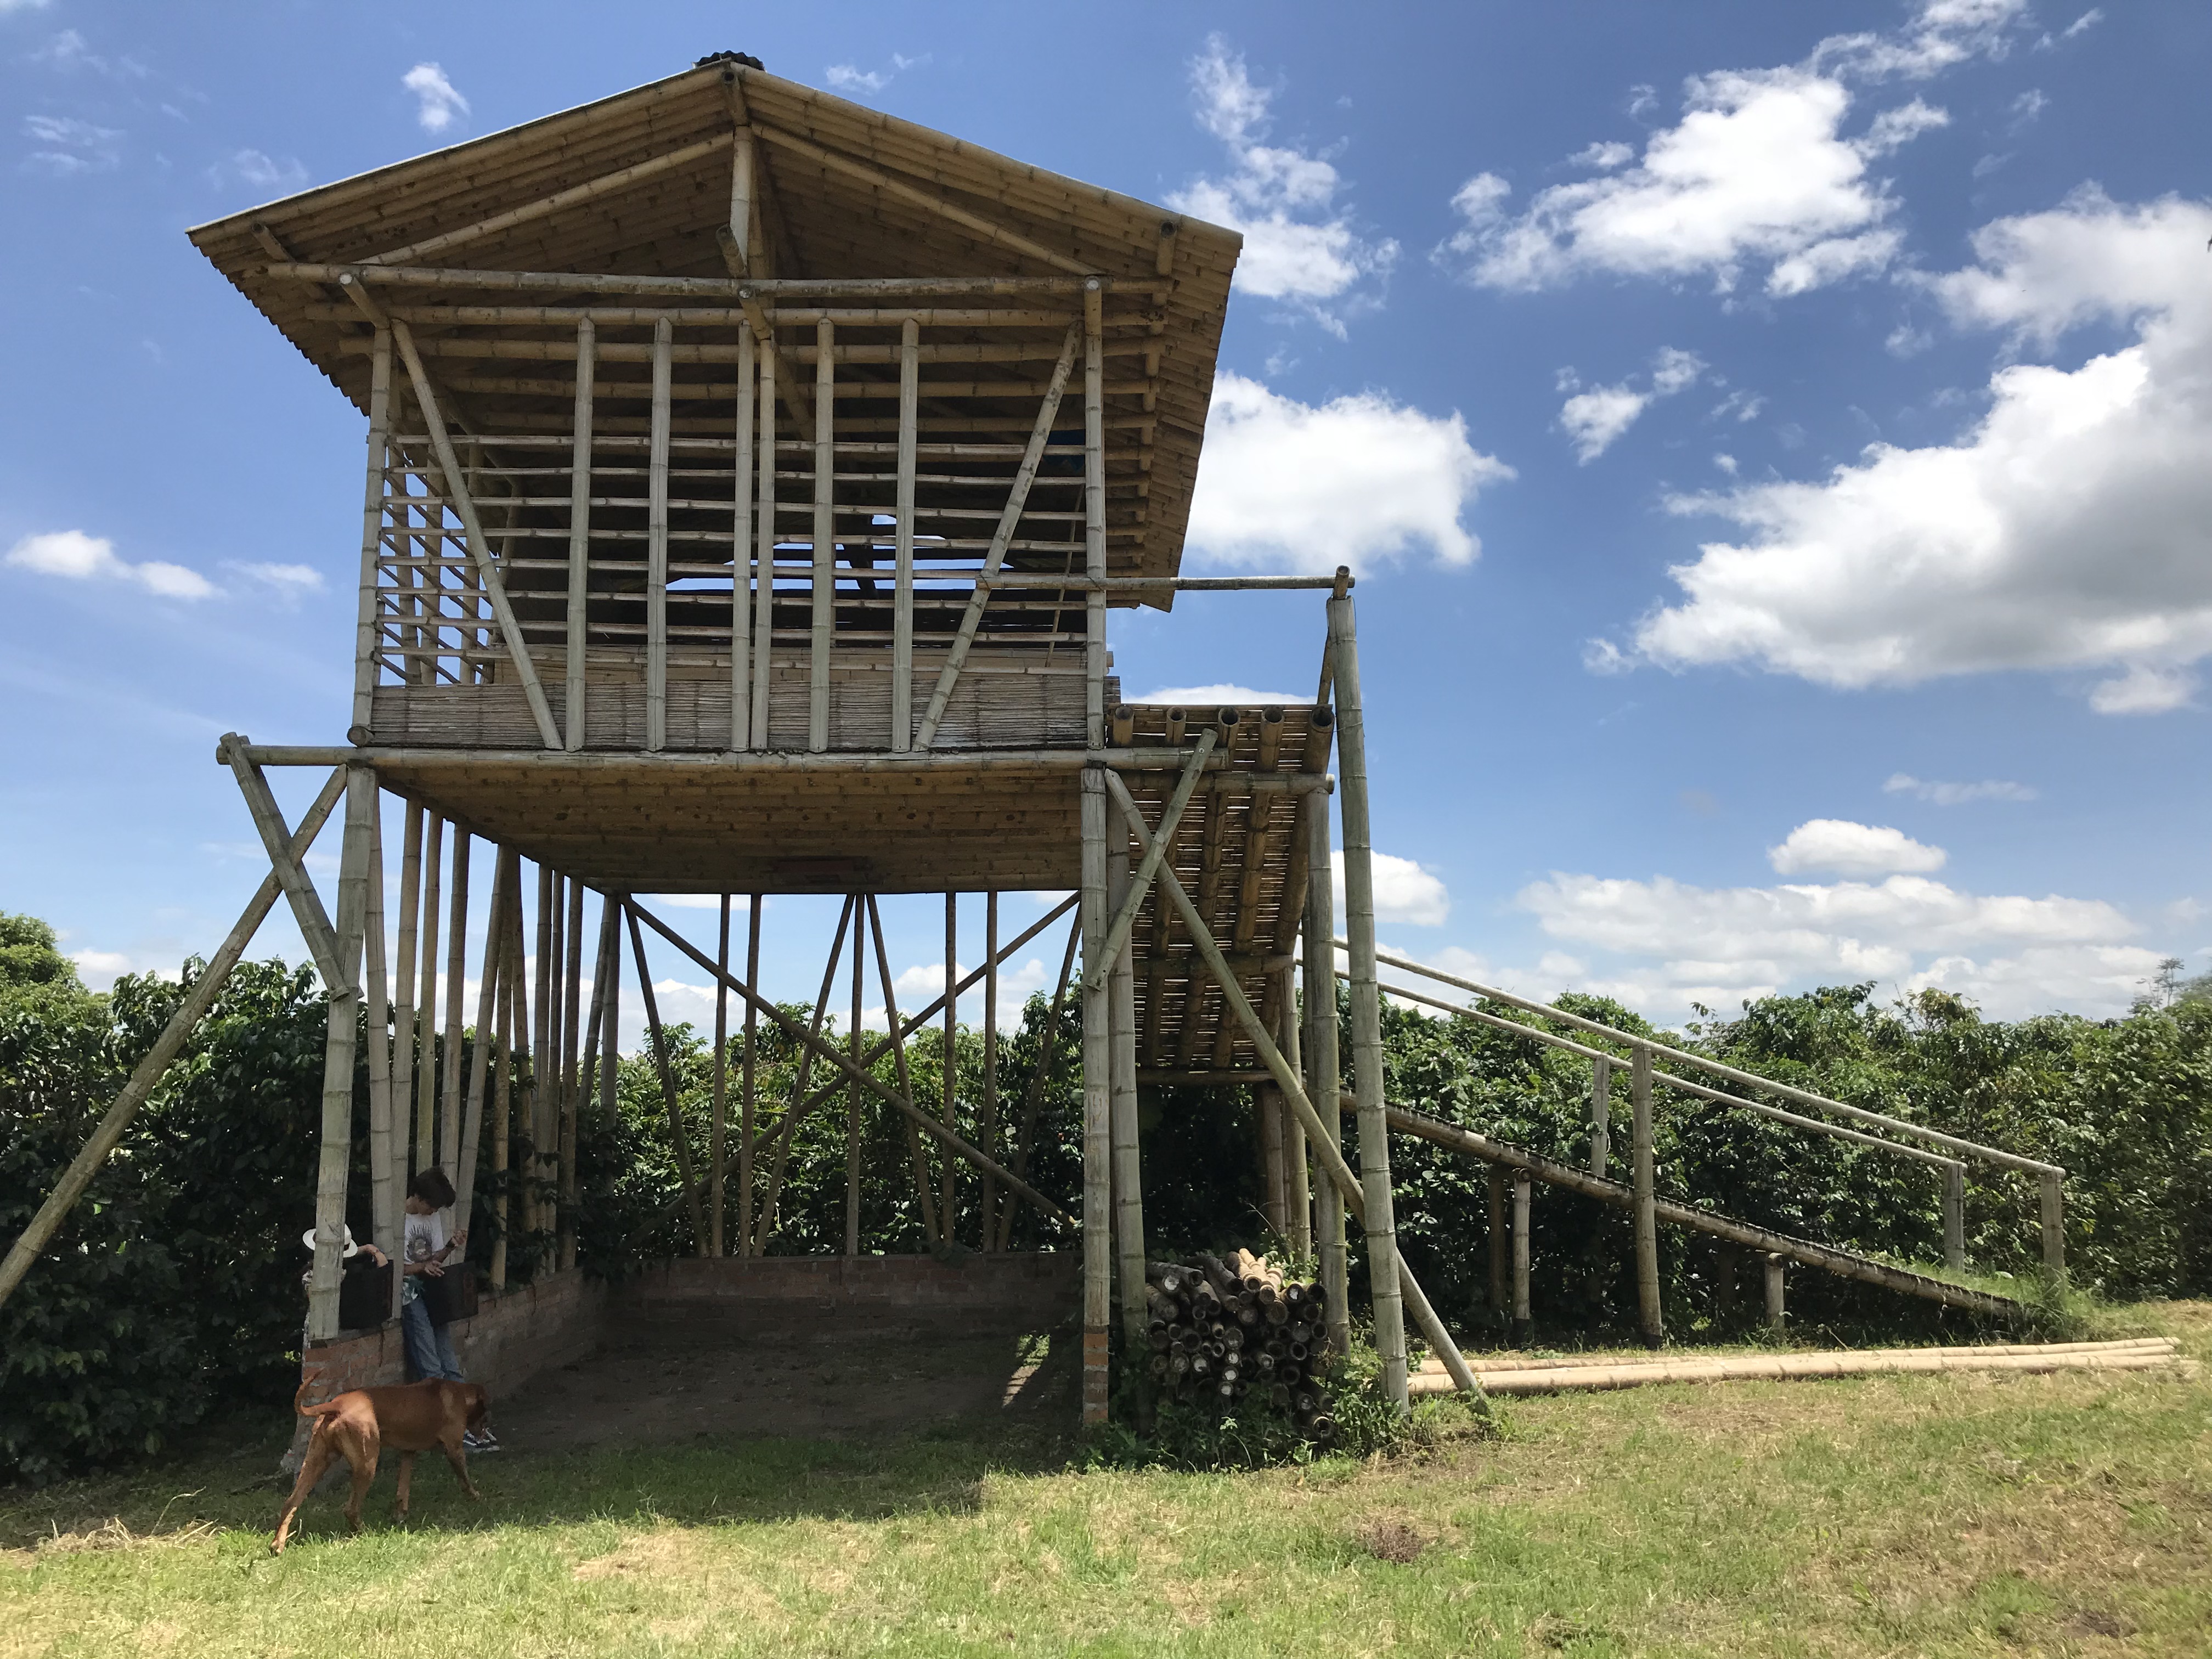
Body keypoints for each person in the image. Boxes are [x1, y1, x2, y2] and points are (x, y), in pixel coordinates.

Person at [400, 1169, 499, 1452]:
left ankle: (468, 1424)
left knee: (449, 1361)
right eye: (431, 1206)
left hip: (435, 1292)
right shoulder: (398, 1219)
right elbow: (392, 1267)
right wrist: (421, 1268)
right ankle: (448, 1431)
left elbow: (434, 1260)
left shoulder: (433, 1217)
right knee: (430, 1364)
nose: (433, 1212)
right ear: (417, 1197)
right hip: (409, 1295)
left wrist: (450, 1247)